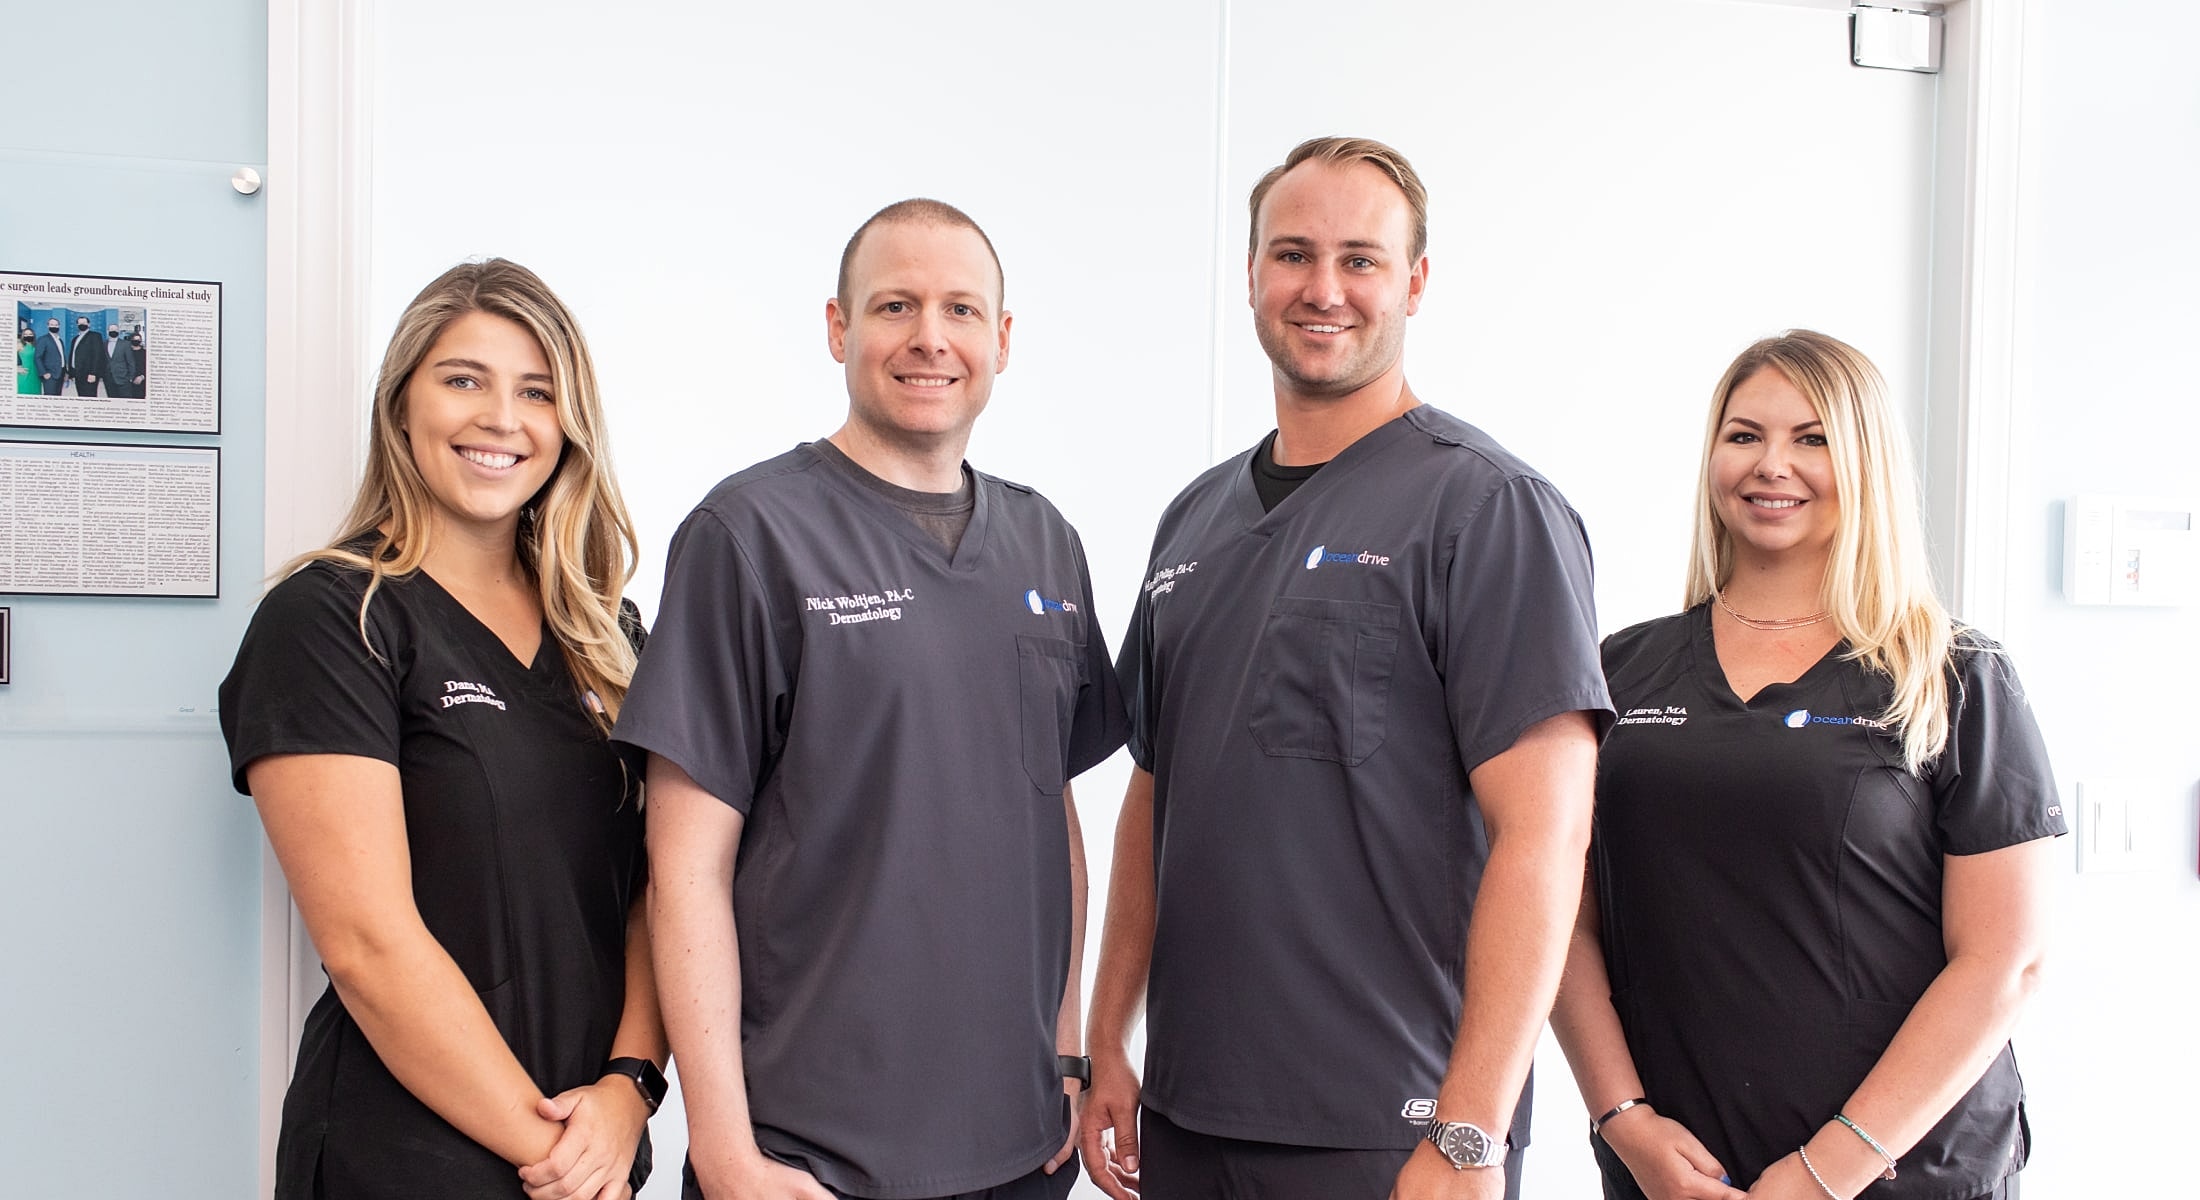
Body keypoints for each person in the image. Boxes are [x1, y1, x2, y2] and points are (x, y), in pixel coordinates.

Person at [1079, 136, 1611, 1200]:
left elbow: (1546, 837)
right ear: (1250, 276)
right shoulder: (1193, 519)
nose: (1323, 289)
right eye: (1292, 254)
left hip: (1390, 1126)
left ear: (1414, 282)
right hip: (1190, 1112)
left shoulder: (1488, 510)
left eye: (1361, 260)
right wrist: (1105, 1039)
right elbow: (1156, 790)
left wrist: (1470, 1132)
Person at [619, 198, 1125, 1200]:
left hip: (1021, 1149)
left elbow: (1050, 815)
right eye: (894, 305)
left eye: (960, 310)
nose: (929, 338)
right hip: (812, 1160)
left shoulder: (1045, 543)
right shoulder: (748, 534)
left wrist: (1065, 1048)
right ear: (838, 327)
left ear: (1002, 338)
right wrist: (721, 1148)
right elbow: (683, 868)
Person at [1550, 330, 2062, 1200]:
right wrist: (1623, 1119)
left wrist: (1829, 1172)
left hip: (1901, 1172)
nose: (1770, 465)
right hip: (1679, 1170)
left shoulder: (1952, 675)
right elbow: (1559, 916)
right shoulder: (1619, 669)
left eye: (1812, 438)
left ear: (1864, 462)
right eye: (1744, 435)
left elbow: (2005, 960)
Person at [220, 259, 668, 1200]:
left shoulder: (611, 634)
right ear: (402, 406)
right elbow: (368, 944)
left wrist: (630, 1090)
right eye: (463, 379)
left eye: (536, 391)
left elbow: (658, 890)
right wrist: (561, 1160)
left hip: (595, 1142)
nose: (502, 418)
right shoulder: (333, 621)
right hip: (408, 1156)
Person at [69, 315, 105, 398]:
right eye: (80, 323)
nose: (82, 324)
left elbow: (98, 355)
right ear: (77, 325)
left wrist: (93, 373)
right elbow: (72, 355)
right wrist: (72, 373)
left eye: (84, 323)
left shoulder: (95, 336)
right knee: (81, 397)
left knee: (90, 398)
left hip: (89, 374)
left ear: (89, 324)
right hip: (77, 374)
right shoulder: (75, 339)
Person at [103, 325, 135, 398]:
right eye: (111, 330)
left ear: (119, 332)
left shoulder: (125, 344)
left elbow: (131, 362)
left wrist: (130, 377)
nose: (113, 331)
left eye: (115, 330)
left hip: (124, 379)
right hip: (109, 380)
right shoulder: (104, 344)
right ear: (108, 331)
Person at [37, 318, 67, 394]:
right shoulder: (43, 339)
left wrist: (66, 372)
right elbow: (38, 357)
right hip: (49, 375)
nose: (54, 326)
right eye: (52, 324)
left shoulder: (60, 340)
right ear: (48, 326)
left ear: (59, 326)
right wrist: (44, 373)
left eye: (56, 325)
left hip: (61, 373)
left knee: (58, 395)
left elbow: (62, 357)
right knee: (50, 397)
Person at [16, 329, 36, 395]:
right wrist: (17, 369)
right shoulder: (19, 345)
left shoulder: (36, 345)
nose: (28, 336)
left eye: (30, 334)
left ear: (33, 335)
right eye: (26, 334)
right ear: (22, 336)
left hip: (35, 375)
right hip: (25, 373)